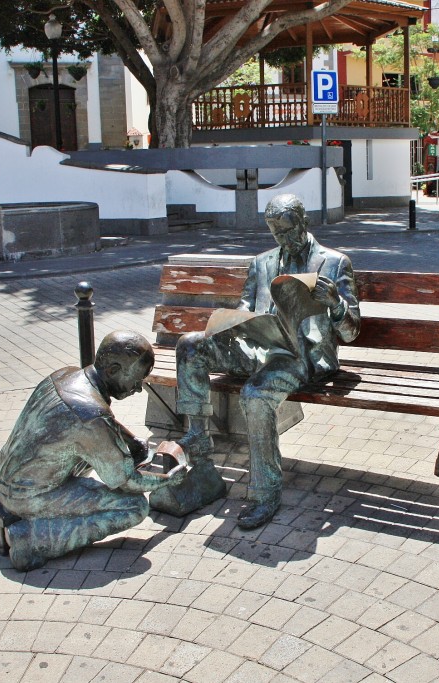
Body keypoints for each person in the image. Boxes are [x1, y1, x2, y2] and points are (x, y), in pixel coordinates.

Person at [151, 194, 361, 529]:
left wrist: (335, 304)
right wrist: (232, 325)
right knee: (191, 345)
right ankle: (198, 438)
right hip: (259, 347)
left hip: (301, 357)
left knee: (255, 395)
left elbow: (351, 333)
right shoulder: (261, 263)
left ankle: (266, 493)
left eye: (289, 230)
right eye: (276, 232)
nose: (284, 239)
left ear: (305, 222)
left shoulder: (334, 264)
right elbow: (244, 311)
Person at [0, 331, 185, 571]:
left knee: (94, 452)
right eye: (137, 378)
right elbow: (126, 480)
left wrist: (130, 439)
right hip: (27, 497)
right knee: (134, 507)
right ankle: (33, 540)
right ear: (114, 370)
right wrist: (167, 479)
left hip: (5, 479)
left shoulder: (67, 375)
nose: (138, 388)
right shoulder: (92, 417)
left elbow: (100, 424)